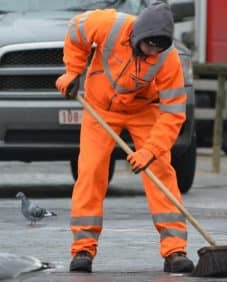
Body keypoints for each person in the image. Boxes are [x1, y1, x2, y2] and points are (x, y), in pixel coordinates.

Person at [56, 1, 194, 274]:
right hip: (100, 108)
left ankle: (175, 250)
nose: (153, 52)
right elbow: (75, 32)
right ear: (138, 34)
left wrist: (151, 150)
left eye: (159, 48)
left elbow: (173, 114)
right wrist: (73, 71)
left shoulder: (169, 59)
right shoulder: (107, 24)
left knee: (160, 170)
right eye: (149, 46)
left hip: (144, 110)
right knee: (91, 170)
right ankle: (83, 249)